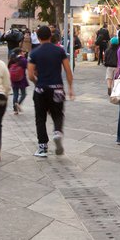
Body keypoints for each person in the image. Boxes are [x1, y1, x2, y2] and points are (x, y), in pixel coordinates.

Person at [27, 25, 75, 157]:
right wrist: (70, 88)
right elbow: (68, 70)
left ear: (37, 37)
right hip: (57, 89)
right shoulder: (59, 51)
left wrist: (37, 83)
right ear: (50, 36)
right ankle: (57, 132)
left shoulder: (34, 53)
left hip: (41, 89)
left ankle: (42, 147)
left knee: (40, 117)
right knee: (58, 113)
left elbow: (30, 75)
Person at [8, 47, 29, 115]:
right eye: (23, 52)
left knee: (15, 94)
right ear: (20, 52)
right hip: (21, 79)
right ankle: (18, 104)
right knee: (23, 94)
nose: (24, 53)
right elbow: (28, 67)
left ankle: (15, 110)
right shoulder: (23, 60)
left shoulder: (12, 59)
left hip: (13, 79)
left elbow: (8, 67)